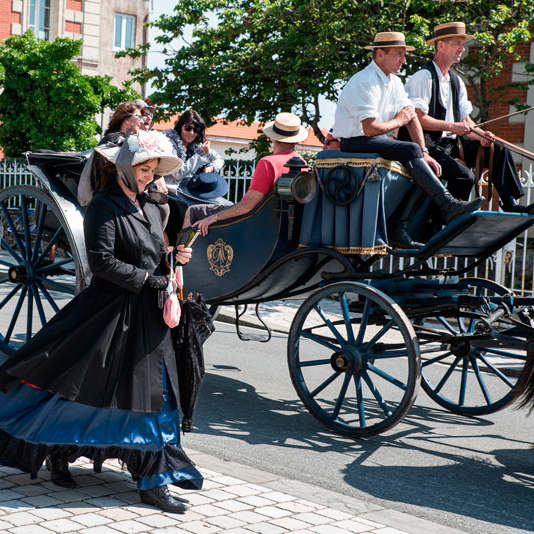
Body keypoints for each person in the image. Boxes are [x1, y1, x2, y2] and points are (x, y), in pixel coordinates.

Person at [0, 129, 202, 514]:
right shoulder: (104, 206)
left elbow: (151, 254)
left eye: (153, 168)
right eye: (143, 168)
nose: (149, 174)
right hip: (111, 312)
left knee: (152, 395)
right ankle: (65, 452)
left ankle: (150, 475)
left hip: (148, 314)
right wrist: (149, 279)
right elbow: (102, 262)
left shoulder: (150, 204)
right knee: (83, 389)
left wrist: (173, 259)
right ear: (126, 168)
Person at [332, 31, 484, 249]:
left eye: (404, 55)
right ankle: (446, 205)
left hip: (374, 139)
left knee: (420, 160)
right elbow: (370, 129)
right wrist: (399, 121)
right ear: (379, 55)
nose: (404, 60)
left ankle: (400, 228)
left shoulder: (393, 81)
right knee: (410, 150)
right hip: (354, 142)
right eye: (398, 55)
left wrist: (424, 153)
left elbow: (411, 115)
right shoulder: (364, 82)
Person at [405, 21, 534, 213]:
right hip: (427, 146)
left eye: (462, 44)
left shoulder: (456, 81)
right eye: (457, 43)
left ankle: (510, 204)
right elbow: (418, 119)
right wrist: (453, 127)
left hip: (451, 146)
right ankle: (445, 221)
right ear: (441, 45)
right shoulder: (423, 78)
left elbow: (466, 121)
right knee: (465, 176)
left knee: (497, 149)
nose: (462, 48)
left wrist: (481, 136)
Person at [187, 112, 309, 234]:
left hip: (255, 223)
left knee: (192, 211)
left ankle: (181, 252)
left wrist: (214, 217)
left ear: (272, 137)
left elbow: (248, 205)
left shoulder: (267, 162)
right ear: (296, 140)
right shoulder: (302, 164)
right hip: (282, 225)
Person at [163, 110, 227, 244]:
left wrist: (211, 167)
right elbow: (177, 173)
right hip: (173, 190)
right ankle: (182, 243)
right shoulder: (170, 143)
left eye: (196, 129)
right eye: (188, 128)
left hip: (190, 189)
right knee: (187, 208)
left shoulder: (196, 145)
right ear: (180, 126)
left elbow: (219, 159)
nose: (191, 133)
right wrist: (200, 156)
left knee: (221, 204)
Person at [78, 101, 144, 206]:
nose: (142, 121)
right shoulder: (113, 139)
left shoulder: (131, 141)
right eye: (138, 117)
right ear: (127, 119)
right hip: (109, 194)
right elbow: (106, 174)